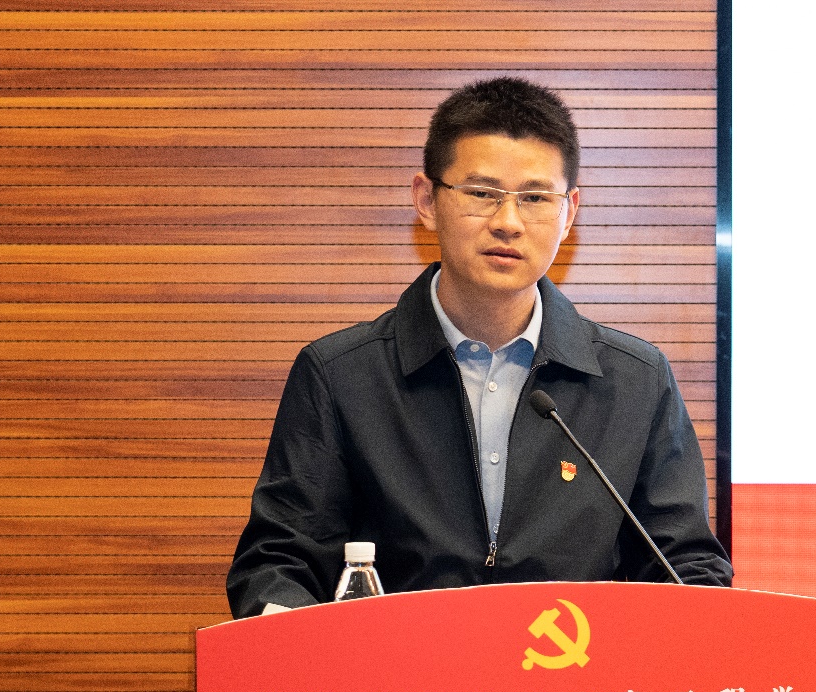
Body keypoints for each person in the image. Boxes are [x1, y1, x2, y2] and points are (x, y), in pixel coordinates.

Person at [227, 77, 731, 618]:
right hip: (400, 670)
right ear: (427, 200)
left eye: (535, 198)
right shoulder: (342, 376)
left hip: (570, 666)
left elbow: (685, 568)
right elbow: (279, 563)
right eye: (482, 194)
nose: (508, 223)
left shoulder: (635, 381)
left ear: (569, 212)